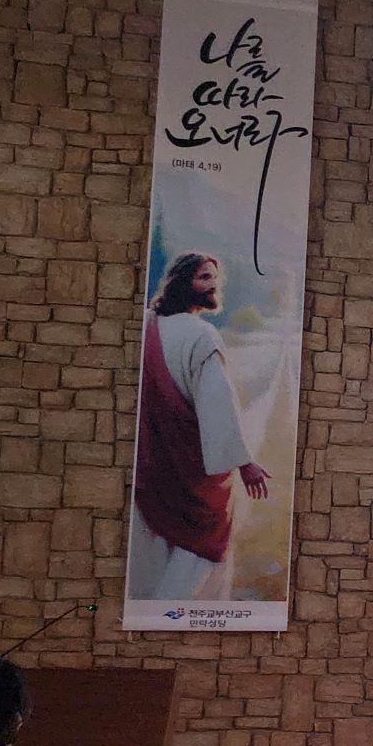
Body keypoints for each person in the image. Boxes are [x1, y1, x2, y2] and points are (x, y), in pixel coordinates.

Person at [128, 250, 270, 600]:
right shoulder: (201, 335)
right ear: (182, 283)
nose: (213, 285)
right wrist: (245, 463)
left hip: (149, 468)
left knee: (149, 558)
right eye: (204, 277)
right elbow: (217, 406)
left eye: (215, 278)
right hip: (189, 474)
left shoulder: (147, 325)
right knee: (199, 551)